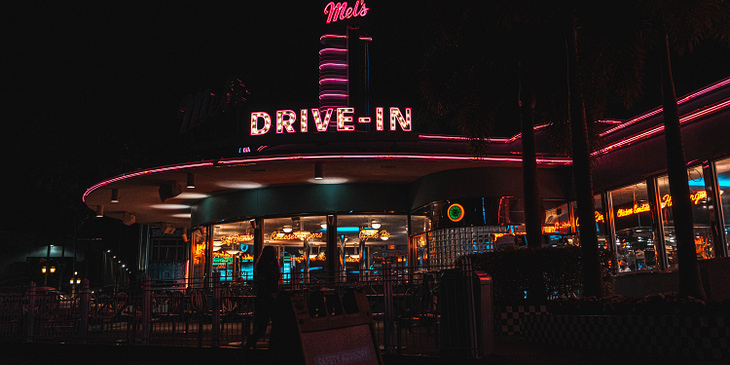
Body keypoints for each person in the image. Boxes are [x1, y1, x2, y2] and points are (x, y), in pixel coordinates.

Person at [245, 245, 280, 349]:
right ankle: (251, 343)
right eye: (272, 252)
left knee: (272, 323)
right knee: (263, 326)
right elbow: (264, 282)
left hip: (269, 296)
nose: (273, 254)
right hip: (265, 298)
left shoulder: (269, 265)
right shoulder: (264, 266)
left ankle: (271, 344)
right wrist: (270, 293)